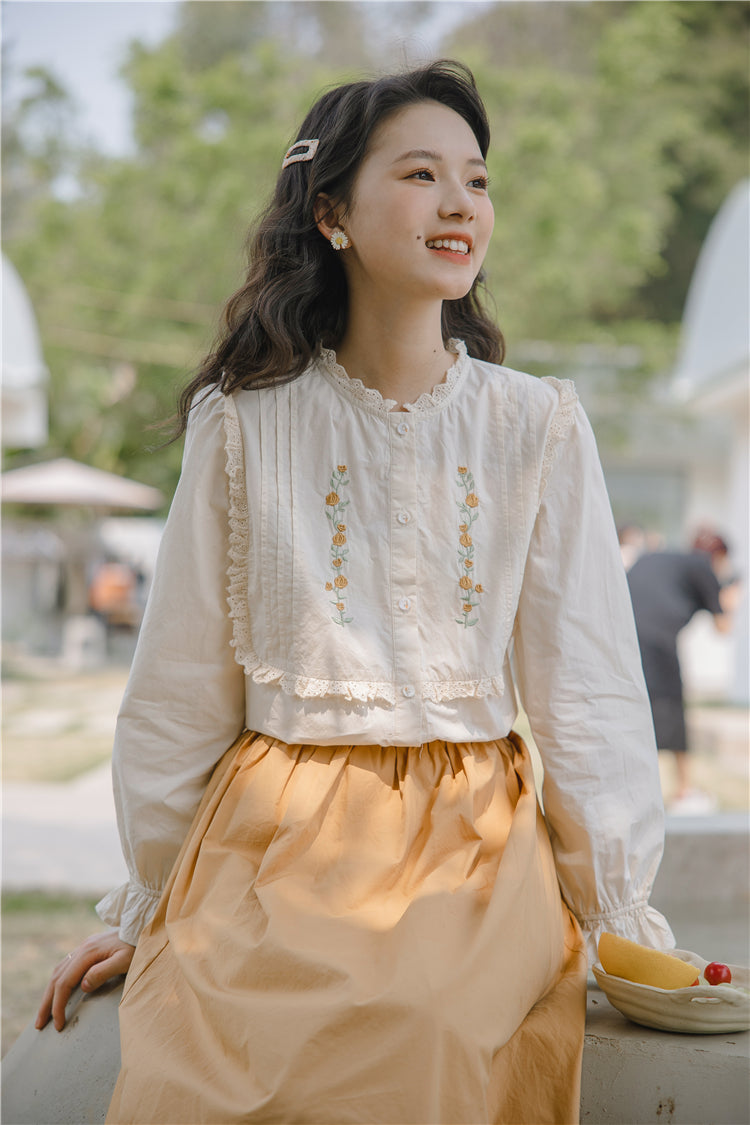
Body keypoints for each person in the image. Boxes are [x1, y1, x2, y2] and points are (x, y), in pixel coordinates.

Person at [36, 60, 673, 1125]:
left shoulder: (536, 424)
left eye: (476, 180)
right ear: (331, 212)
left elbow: (590, 688)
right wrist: (147, 903)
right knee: (211, 1059)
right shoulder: (242, 424)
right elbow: (179, 685)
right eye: (421, 174)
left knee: (417, 1032)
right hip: (269, 845)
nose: (461, 202)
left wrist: (621, 916)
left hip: (468, 845)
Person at [627, 529, 738, 813]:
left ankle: (632, 786)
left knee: (633, 709)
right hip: (656, 640)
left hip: (623, 633)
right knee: (671, 707)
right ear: (719, 556)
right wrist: (732, 597)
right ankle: (683, 791)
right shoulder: (703, 566)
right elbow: (723, 627)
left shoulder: (661, 557)